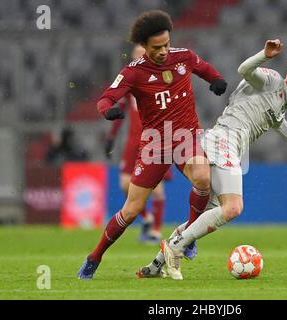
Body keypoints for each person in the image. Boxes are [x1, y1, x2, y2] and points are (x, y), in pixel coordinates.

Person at [141, 39, 287, 280]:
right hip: (224, 140)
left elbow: (278, 122)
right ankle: (175, 249)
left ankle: (157, 264)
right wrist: (265, 54)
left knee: (206, 214)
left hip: (229, 146)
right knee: (233, 208)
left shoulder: (282, 101)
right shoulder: (271, 80)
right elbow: (244, 70)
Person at [77, 10, 227, 279]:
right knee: (132, 210)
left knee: (204, 178)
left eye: (166, 44)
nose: (163, 51)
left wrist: (216, 80)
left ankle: (188, 236)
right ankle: (94, 257)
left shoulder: (184, 57)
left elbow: (205, 69)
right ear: (144, 46)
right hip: (155, 145)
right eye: (157, 47)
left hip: (186, 137)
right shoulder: (133, 73)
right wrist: (107, 110)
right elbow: (106, 98)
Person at [105, 45, 172, 244]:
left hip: (154, 140)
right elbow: (121, 111)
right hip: (134, 141)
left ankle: (156, 231)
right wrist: (111, 136)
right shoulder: (130, 82)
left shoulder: (161, 79)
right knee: (125, 184)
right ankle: (147, 218)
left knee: (156, 188)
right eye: (136, 55)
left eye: (143, 55)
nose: (139, 59)